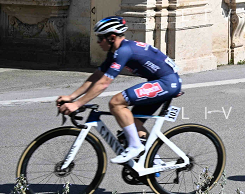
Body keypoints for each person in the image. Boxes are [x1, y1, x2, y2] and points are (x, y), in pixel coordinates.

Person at [57, 16, 182, 164]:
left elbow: (103, 83)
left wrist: (77, 104)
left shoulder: (124, 51)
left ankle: (135, 146)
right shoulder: (115, 52)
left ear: (111, 37)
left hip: (167, 83)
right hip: (162, 82)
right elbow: (97, 76)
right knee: (132, 123)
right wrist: (72, 97)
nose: (98, 42)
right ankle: (153, 163)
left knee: (116, 102)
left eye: (100, 38)